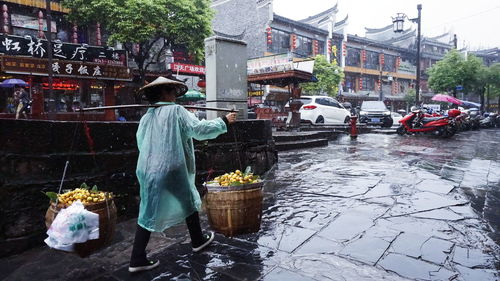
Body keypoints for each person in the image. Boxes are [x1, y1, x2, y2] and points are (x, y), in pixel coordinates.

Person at [129, 77, 237, 273]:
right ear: (163, 93)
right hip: (170, 168)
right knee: (186, 200)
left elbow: (140, 142)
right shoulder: (176, 111)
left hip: (147, 170)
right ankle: (197, 240)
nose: (174, 96)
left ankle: (138, 257)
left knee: (148, 210)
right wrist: (224, 122)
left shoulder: (146, 117)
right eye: (171, 91)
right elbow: (198, 130)